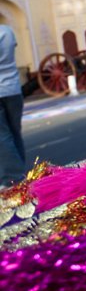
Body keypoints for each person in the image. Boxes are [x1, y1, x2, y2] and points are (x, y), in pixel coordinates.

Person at [0, 25, 26, 185]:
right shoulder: (8, 31)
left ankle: (13, 177)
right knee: (15, 133)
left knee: (3, 136)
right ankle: (19, 174)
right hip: (14, 90)